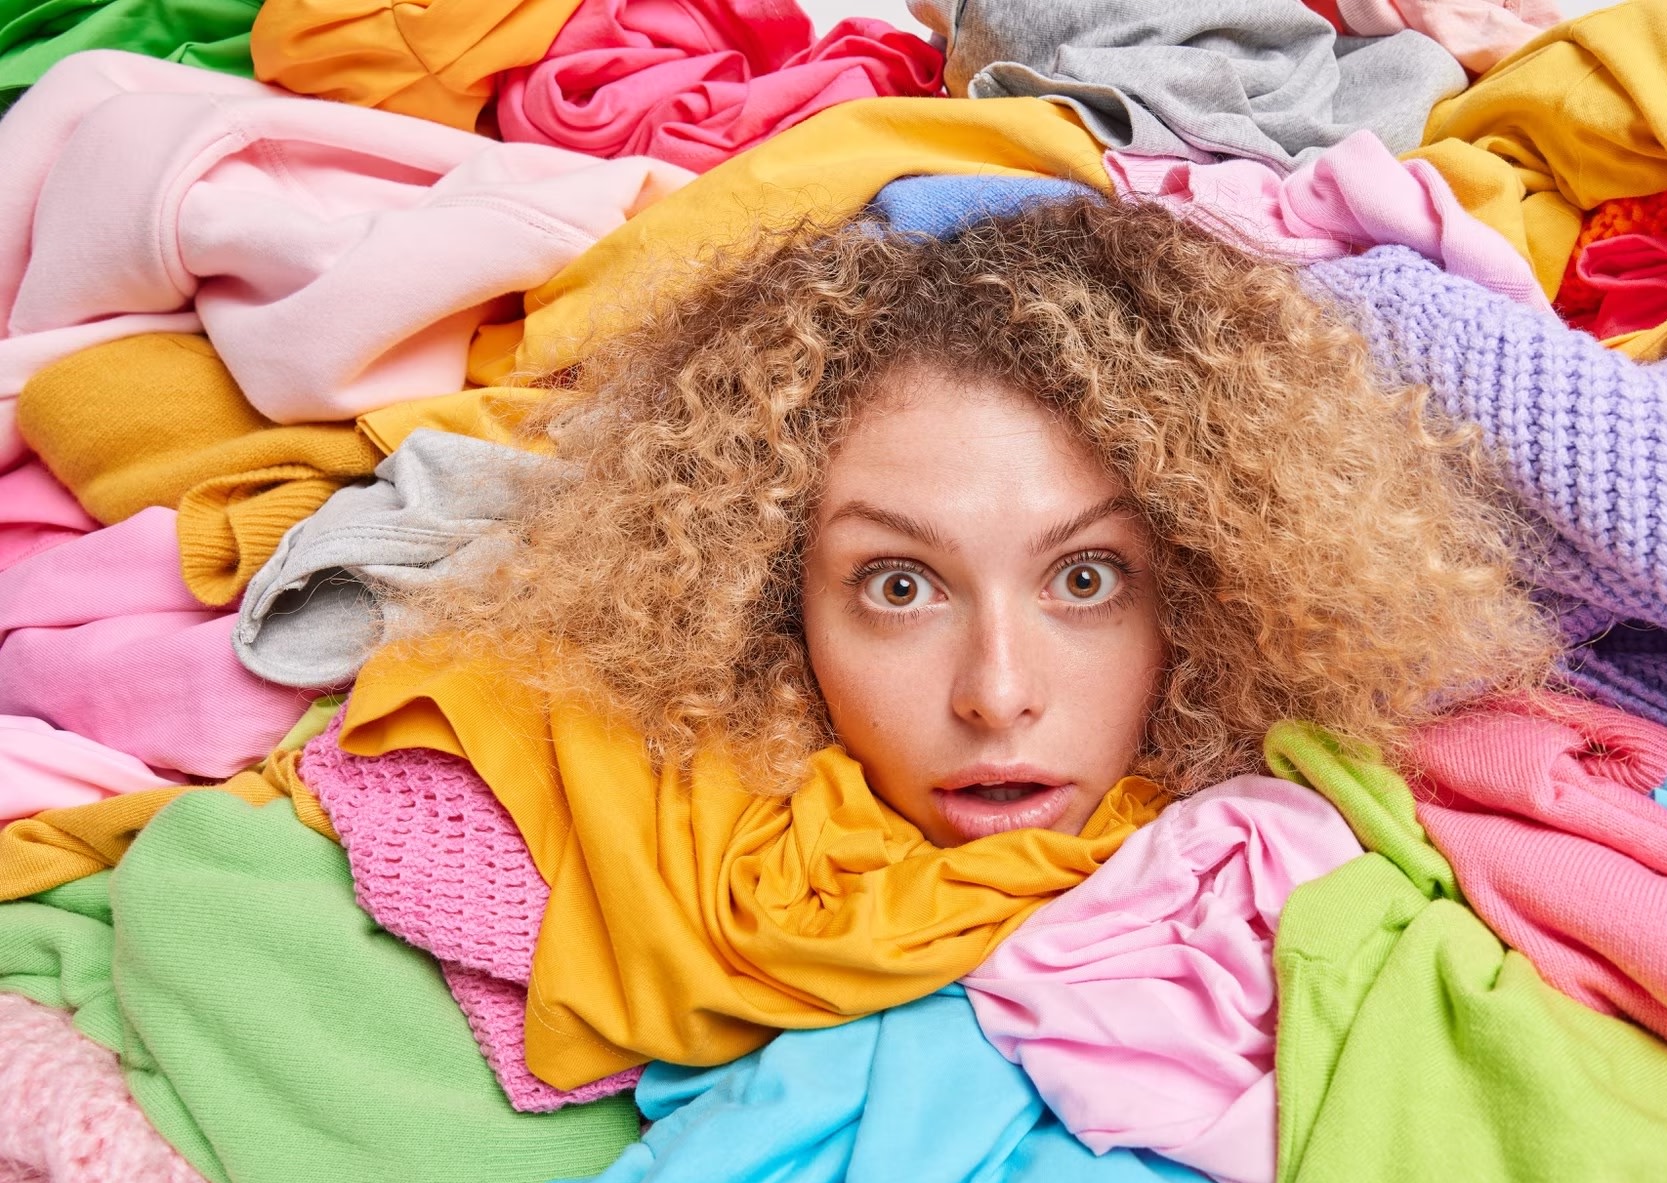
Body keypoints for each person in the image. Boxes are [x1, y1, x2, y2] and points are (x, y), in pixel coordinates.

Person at [348, 192, 1559, 1082]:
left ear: (1204, 595)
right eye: (896, 586)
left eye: (1084, 576)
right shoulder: (561, 853)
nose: (995, 694)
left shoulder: (1353, 904)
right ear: (774, 609)